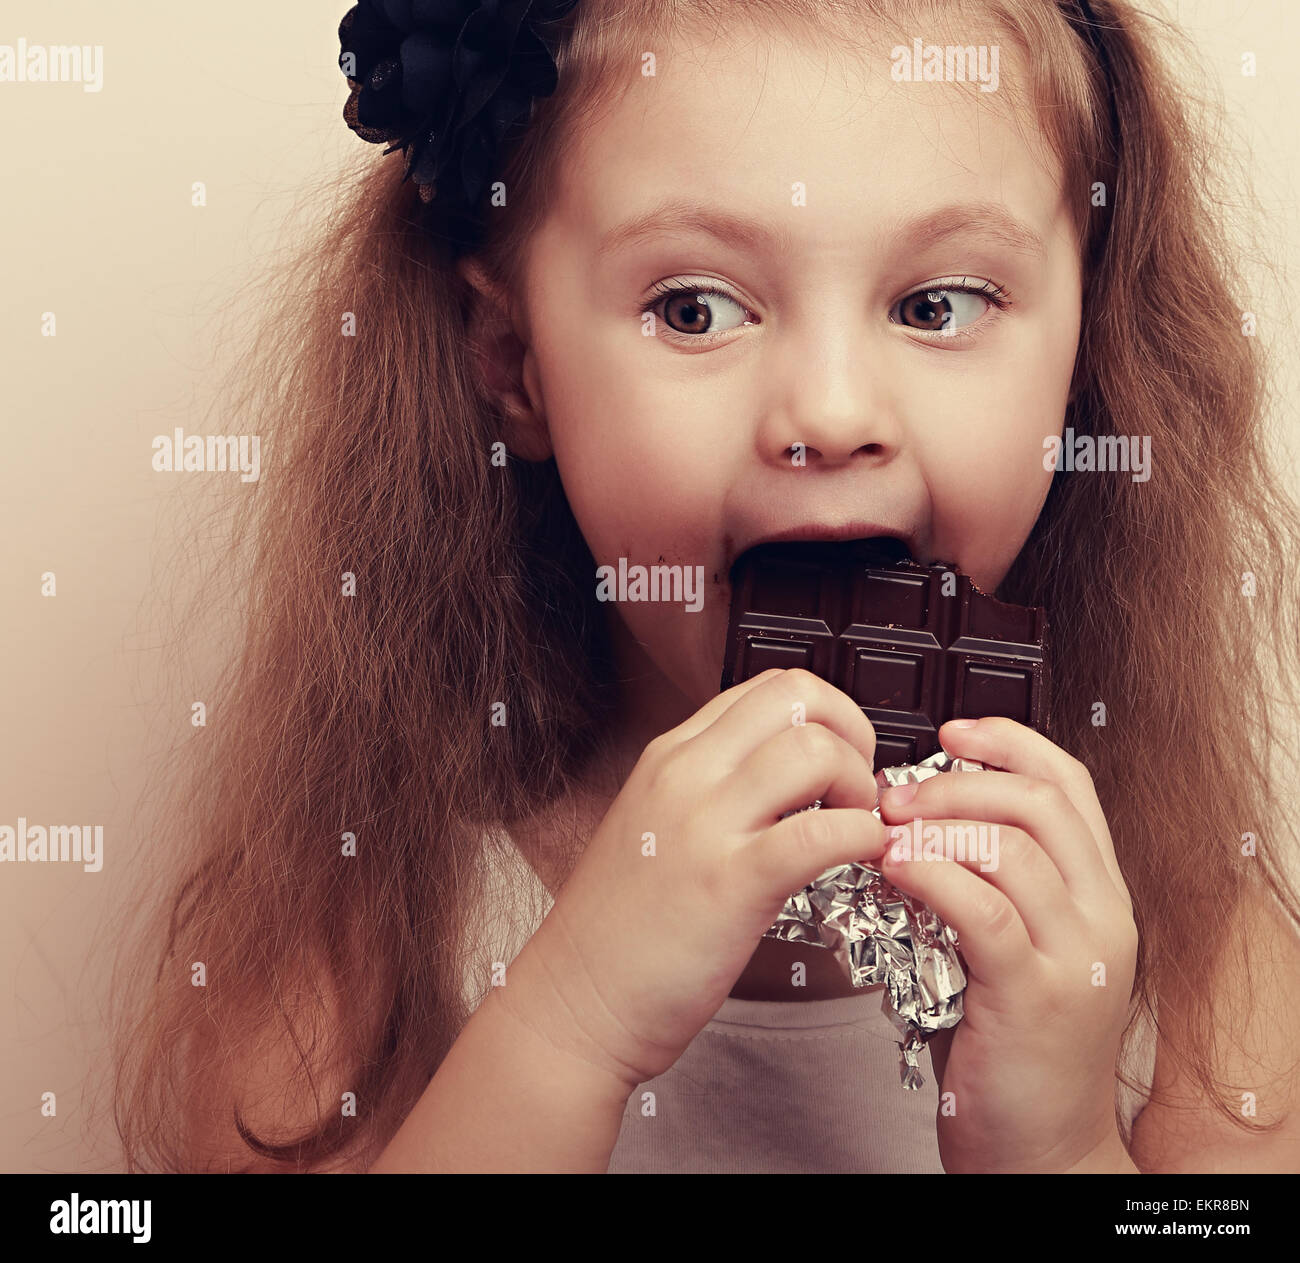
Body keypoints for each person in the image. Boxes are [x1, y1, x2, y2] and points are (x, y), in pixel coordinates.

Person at [108, 0, 1300, 1173]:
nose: (831, 415)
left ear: (1086, 354)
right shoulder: (363, 917)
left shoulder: (1189, 941)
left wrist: (1058, 1147)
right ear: (511, 362)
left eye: (936, 306)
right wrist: (566, 1027)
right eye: (694, 308)